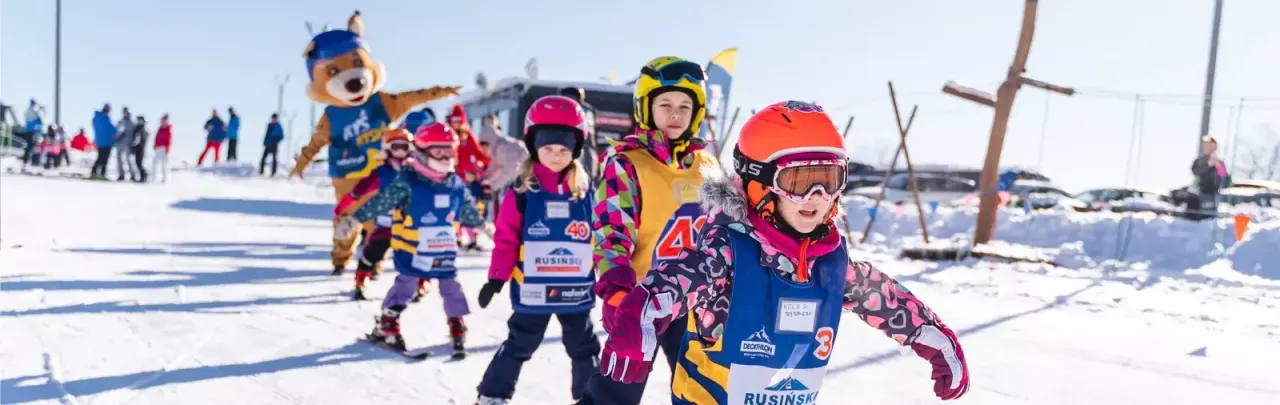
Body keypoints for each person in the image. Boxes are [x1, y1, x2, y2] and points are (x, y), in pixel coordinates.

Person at [595, 101, 969, 404]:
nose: (818, 197)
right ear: (756, 184)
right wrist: (635, 319)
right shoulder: (726, 254)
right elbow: (671, 284)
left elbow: (886, 302)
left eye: (830, 179)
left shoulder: (833, 265)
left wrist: (932, 336)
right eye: (800, 181)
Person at [583, 56, 720, 405]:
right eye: (665, 104)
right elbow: (611, 233)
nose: (675, 114)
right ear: (646, 108)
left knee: (705, 392)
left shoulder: (708, 165)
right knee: (614, 394)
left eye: (684, 106)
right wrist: (616, 292)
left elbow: (726, 229)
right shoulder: (627, 163)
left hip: (696, 302)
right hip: (642, 301)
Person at [473, 96, 600, 405]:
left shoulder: (585, 192)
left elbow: (602, 235)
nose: (555, 156)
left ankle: (590, 399)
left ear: (575, 150)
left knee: (583, 346)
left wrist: (612, 275)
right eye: (548, 149)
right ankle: (492, 395)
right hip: (534, 289)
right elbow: (506, 238)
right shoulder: (523, 190)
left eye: (563, 150)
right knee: (520, 342)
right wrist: (497, 278)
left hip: (575, 289)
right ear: (534, 148)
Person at [337, 122, 485, 359]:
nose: (446, 157)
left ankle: (457, 326)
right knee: (406, 284)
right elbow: (381, 202)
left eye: (449, 151)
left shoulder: (455, 182)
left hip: (443, 247)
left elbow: (467, 208)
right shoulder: (408, 180)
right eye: (439, 151)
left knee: (451, 286)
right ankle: (389, 323)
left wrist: (483, 226)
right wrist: (354, 220)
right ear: (423, 152)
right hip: (411, 246)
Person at [333, 128, 419, 299]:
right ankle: (361, 280)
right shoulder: (382, 172)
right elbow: (360, 190)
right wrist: (343, 206)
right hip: (386, 219)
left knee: (417, 253)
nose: (400, 151)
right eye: (396, 147)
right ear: (388, 148)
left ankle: (421, 282)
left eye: (404, 146)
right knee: (374, 250)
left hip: (410, 222)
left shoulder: (415, 171)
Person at [447, 105, 492, 251]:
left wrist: (480, 169)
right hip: (452, 177)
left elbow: (480, 155)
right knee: (454, 208)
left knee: (470, 207)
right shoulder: (447, 134)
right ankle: (456, 237)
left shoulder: (468, 136)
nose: (456, 123)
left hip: (468, 179)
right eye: (454, 120)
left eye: (458, 120)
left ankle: (473, 238)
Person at [478, 113, 530, 217]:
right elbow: (495, 166)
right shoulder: (496, 149)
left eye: (485, 145)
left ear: (490, 141)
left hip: (528, 176)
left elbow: (510, 170)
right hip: (521, 177)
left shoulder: (502, 148)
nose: (484, 149)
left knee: (520, 206)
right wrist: (484, 179)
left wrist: (493, 185)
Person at [1191, 136, 1231, 220]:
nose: (1208, 148)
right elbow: (1196, 172)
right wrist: (1208, 165)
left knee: (1210, 216)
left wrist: (1219, 167)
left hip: (1214, 194)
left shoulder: (1220, 163)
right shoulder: (1200, 160)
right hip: (1200, 192)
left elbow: (1226, 179)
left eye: (1211, 145)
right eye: (1206, 145)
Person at [90, 104, 118, 180]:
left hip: (99, 142)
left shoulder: (96, 118)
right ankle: (101, 174)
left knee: (100, 158)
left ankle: (94, 172)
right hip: (107, 142)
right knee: (104, 159)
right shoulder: (105, 118)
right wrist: (117, 131)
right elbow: (112, 129)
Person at [114, 107, 137, 181]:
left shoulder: (132, 123)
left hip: (128, 144)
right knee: (119, 160)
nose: (125, 113)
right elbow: (116, 132)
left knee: (128, 160)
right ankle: (121, 175)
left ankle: (133, 175)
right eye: (124, 112)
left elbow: (134, 135)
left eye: (127, 112)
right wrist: (117, 137)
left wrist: (133, 144)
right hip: (119, 144)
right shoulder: (120, 122)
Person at [153, 115, 173, 182]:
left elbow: (169, 141)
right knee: (155, 162)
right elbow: (156, 138)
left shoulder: (168, 130)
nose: (162, 122)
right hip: (158, 148)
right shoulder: (160, 129)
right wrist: (155, 145)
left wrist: (167, 149)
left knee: (164, 163)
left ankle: (164, 178)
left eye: (164, 120)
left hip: (164, 148)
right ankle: (154, 177)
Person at [130, 115, 150, 182]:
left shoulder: (141, 129)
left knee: (139, 163)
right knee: (138, 163)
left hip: (140, 149)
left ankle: (144, 175)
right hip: (138, 149)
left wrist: (134, 145)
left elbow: (137, 139)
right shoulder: (138, 128)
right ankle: (143, 176)